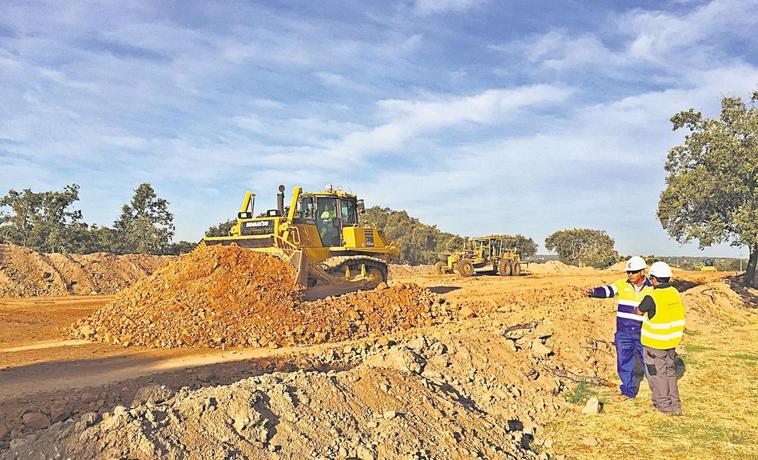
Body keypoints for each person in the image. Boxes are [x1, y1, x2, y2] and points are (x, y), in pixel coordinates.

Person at [585, 256, 653, 398]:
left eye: (633, 272)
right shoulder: (622, 284)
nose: (630, 275)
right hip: (624, 332)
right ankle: (628, 391)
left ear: (642, 272)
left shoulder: (652, 288)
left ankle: (658, 391)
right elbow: (608, 290)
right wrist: (593, 292)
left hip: (643, 332)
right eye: (628, 272)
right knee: (624, 362)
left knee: (649, 362)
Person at [635, 261, 686, 415]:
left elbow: (639, 311)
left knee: (658, 374)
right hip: (671, 341)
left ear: (654, 279)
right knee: (670, 373)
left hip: (655, 343)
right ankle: (675, 406)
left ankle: (663, 406)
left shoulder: (652, 295)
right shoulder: (674, 293)